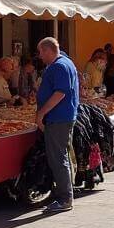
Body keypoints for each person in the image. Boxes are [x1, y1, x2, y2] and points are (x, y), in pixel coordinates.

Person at [36, 37, 79, 213]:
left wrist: (42, 112)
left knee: (58, 158)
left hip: (58, 118)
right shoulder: (66, 62)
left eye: (41, 52)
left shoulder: (59, 66)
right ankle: (64, 193)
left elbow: (60, 93)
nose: (40, 56)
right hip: (63, 117)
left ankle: (64, 198)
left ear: (48, 50)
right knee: (62, 156)